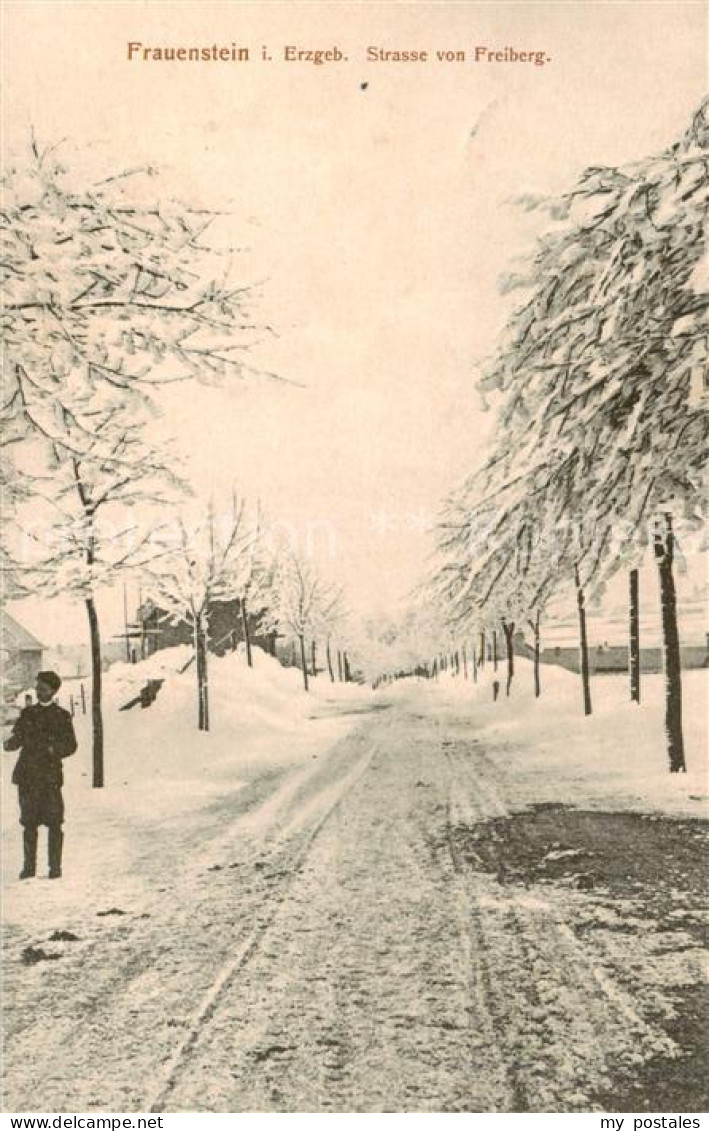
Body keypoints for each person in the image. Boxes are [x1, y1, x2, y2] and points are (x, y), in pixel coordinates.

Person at [4, 671, 77, 880]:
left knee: (55, 823)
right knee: (28, 823)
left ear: (53, 691)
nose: (38, 692)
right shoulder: (28, 714)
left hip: (50, 777)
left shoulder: (62, 716)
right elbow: (16, 737)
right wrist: (9, 743)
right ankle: (29, 868)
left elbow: (71, 745)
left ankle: (55, 867)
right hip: (27, 777)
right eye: (37, 688)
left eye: (43, 689)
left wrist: (54, 750)